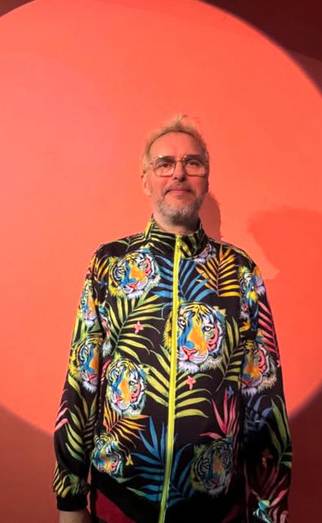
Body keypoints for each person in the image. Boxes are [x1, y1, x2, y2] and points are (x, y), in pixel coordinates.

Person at [53, 116, 292, 523]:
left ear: (206, 179)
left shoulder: (239, 271)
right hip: (120, 502)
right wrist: (70, 497)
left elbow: (263, 396)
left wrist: (269, 509)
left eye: (192, 163)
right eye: (164, 163)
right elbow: (82, 380)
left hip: (217, 509)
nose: (179, 172)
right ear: (146, 180)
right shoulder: (109, 264)